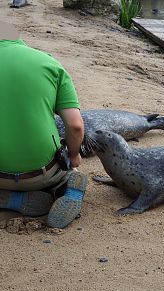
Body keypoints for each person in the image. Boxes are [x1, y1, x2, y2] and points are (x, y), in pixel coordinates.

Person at [0, 22, 88, 228]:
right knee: (68, 172)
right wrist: (74, 156)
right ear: (18, 38)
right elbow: (75, 126)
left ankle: (10, 198)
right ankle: (67, 190)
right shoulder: (49, 63)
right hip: (41, 173)